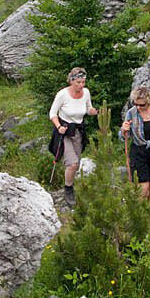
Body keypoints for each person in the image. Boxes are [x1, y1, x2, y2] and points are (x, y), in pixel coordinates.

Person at [48, 67, 98, 207]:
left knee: (76, 163)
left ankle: (70, 184)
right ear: (71, 81)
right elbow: (52, 114)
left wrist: (93, 111)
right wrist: (59, 127)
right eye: (78, 83)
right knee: (72, 163)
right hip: (64, 131)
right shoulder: (62, 94)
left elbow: (88, 108)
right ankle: (68, 190)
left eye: (83, 82)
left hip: (78, 131)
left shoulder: (86, 92)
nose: (81, 86)